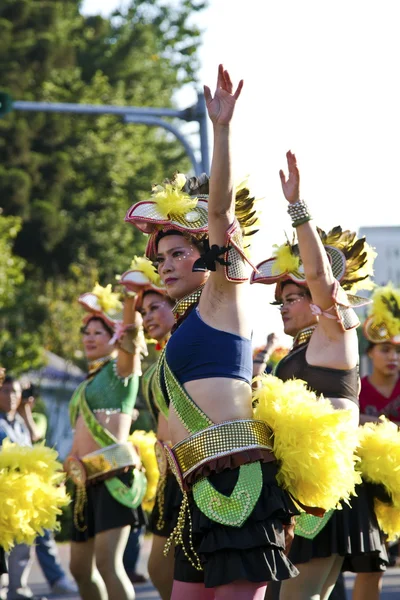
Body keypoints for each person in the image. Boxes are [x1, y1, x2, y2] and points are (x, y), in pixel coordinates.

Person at [125, 64, 299, 600]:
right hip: (192, 489)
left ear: (209, 258)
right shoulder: (176, 329)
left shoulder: (224, 299)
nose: (166, 265)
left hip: (237, 480)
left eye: (179, 253)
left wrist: (220, 131)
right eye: (161, 256)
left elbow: (220, 211)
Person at [252, 150, 387, 600]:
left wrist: (297, 209)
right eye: (280, 301)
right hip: (298, 487)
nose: (283, 306)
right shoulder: (301, 349)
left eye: (292, 298)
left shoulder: (334, 336)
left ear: (315, 300)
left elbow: (319, 276)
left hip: (321, 492)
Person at [65, 283, 147, 600]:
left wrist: (129, 300)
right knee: (79, 570)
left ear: (112, 336)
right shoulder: (85, 383)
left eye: (97, 332)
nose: (88, 338)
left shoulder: (121, 371)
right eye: (85, 332)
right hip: (84, 483)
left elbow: (130, 340)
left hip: (114, 479)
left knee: (108, 564)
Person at [119, 256, 177, 598]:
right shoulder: (161, 358)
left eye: (156, 307)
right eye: (145, 311)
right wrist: (130, 299)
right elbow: (129, 342)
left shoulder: (191, 343)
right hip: (170, 478)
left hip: (193, 473)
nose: (148, 317)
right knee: (161, 571)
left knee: (167, 570)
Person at [350, 284, 400, 600]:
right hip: (369, 487)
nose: (393, 356)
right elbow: (345, 419)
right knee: (373, 566)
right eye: (385, 349)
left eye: (398, 350)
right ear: (369, 353)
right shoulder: (357, 389)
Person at [17, 383, 78, 596]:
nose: (16, 397)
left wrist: (24, 409)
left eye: (21, 394)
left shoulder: (38, 417)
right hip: (13, 490)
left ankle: (57, 579)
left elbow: (34, 434)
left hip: (34, 487)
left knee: (44, 535)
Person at [0, 376, 47, 600]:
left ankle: (18, 590)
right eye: (5, 390)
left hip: (22, 497)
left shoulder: (19, 424)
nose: (10, 396)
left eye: (14, 392)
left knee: (22, 547)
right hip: (2, 497)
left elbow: (34, 446)